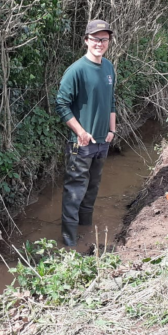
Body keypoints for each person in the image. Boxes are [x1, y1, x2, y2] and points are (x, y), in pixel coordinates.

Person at [55, 20, 116, 246]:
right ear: (86, 41)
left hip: (103, 142)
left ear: (109, 42)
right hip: (81, 144)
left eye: (104, 39)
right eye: (95, 39)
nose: (99, 43)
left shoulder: (108, 67)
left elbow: (111, 101)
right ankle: (69, 244)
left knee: (92, 190)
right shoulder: (76, 70)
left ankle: (86, 233)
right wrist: (80, 132)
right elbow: (61, 104)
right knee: (74, 194)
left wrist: (112, 130)